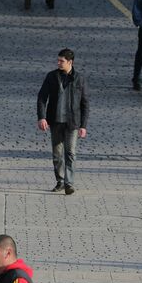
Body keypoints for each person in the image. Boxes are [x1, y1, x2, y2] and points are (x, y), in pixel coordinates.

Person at [37, 48, 89, 195]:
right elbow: (42, 97)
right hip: (55, 121)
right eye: (58, 60)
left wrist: (83, 125)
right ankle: (60, 181)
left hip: (72, 122)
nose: (58, 63)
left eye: (62, 61)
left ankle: (69, 183)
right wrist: (42, 117)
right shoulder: (51, 77)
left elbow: (85, 103)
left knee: (70, 152)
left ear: (70, 62)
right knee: (57, 153)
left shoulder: (79, 78)